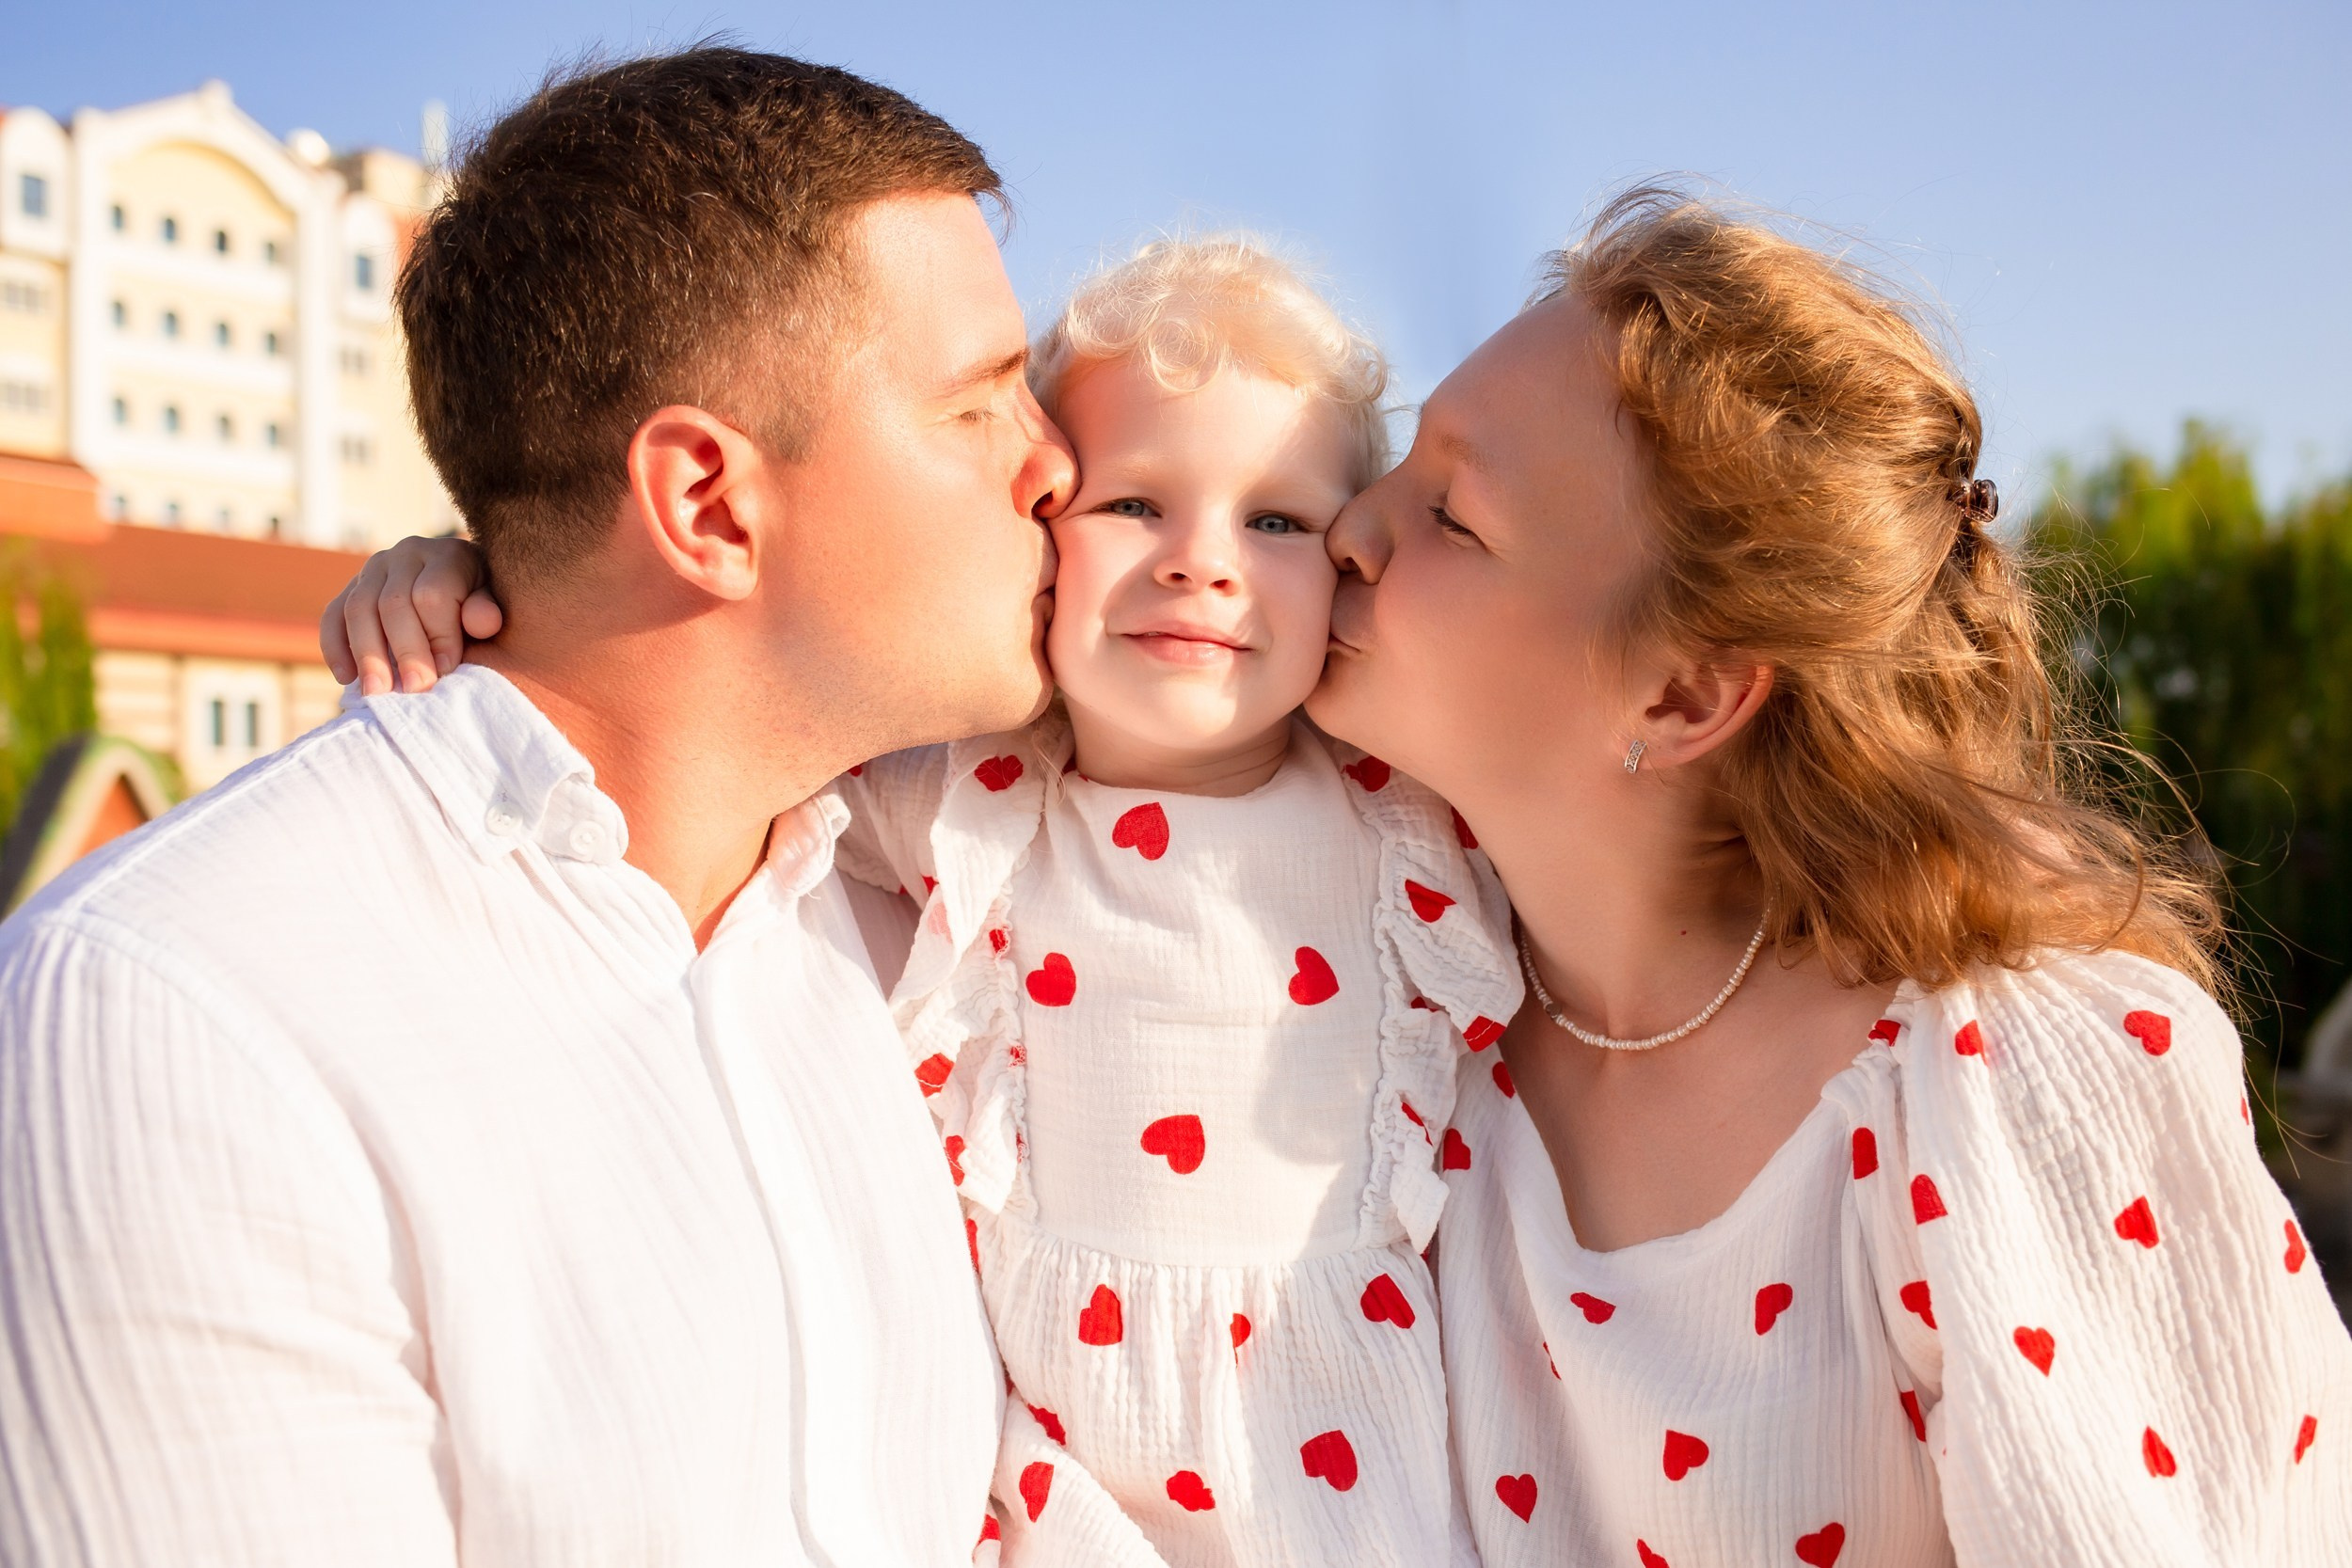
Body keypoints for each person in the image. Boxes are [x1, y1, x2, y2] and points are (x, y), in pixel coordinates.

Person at [0, 49, 1074, 1566]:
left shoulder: (938, 911)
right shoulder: (175, 1006)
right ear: (707, 505)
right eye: (976, 409)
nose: (1060, 469)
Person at [317, 236, 1517, 1567]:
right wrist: (471, 580)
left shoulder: (1415, 815)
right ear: (1041, 539)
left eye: (1276, 520)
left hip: (1362, 1470)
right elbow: (696, 717)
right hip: (1053, 1484)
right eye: (1136, 506)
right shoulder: (963, 798)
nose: (1202, 563)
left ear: (1348, 562)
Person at [1307, 188, 2352, 1563]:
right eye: (1398, 465)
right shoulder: (1401, 1032)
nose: (1347, 530)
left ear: (1684, 696)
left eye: (1451, 515)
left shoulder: (2001, 1081)